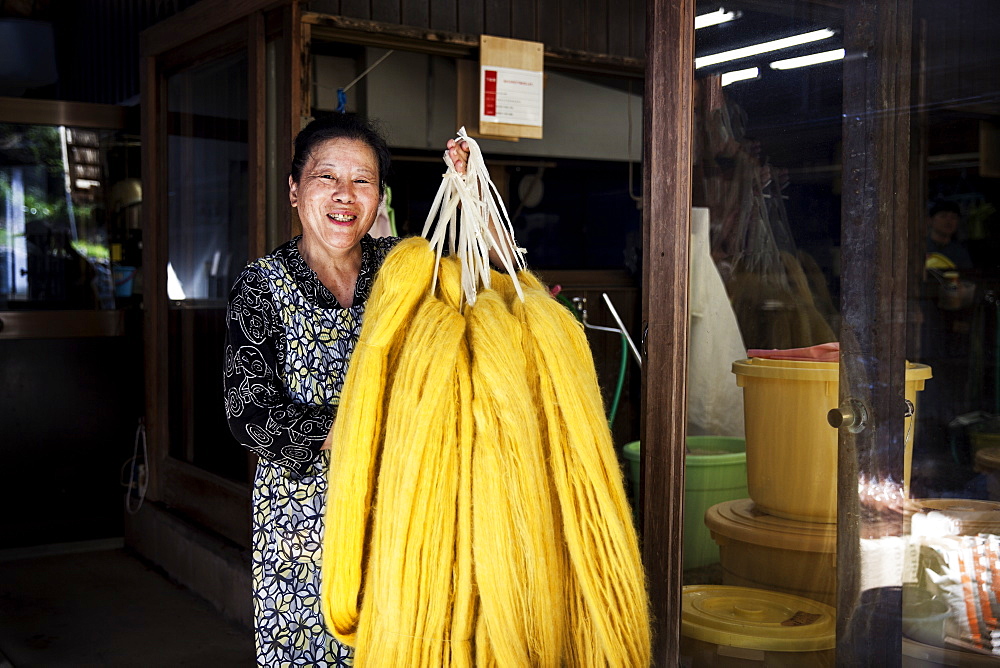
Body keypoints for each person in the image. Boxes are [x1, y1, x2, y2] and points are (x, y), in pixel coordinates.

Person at [224, 113, 474, 665]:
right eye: (326, 177)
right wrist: (354, 427)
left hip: (394, 510)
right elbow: (247, 410)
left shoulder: (399, 268)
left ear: (378, 197)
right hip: (301, 531)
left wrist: (469, 189)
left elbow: (481, 285)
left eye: (362, 180)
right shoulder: (261, 284)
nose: (345, 195)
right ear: (294, 190)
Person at [926, 200, 973, 271]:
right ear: (930, 220)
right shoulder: (921, 248)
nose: (949, 221)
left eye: (953, 217)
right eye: (943, 216)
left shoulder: (960, 252)